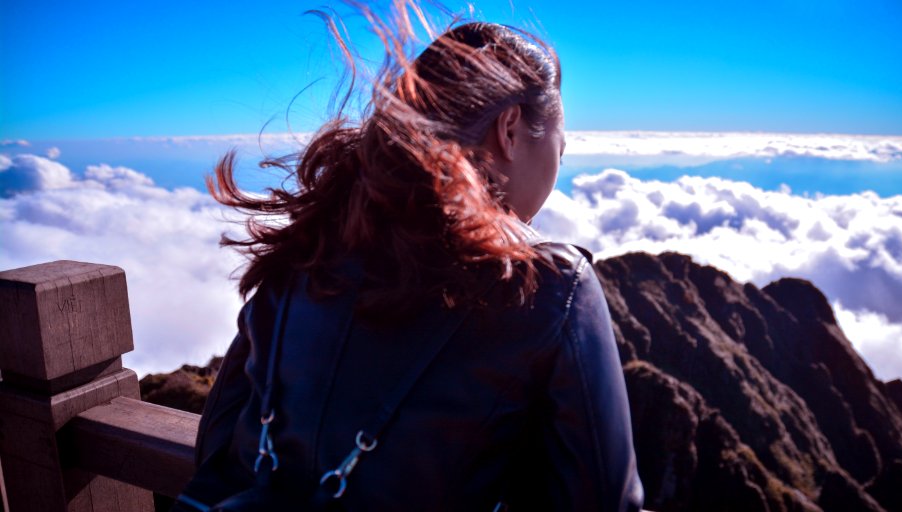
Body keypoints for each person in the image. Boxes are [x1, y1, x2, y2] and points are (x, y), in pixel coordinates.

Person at [176, 3, 643, 511]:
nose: (558, 166)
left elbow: (218, 445)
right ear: (510, 129)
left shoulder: (311, 243)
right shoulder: (549, 283)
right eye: (560, 147)